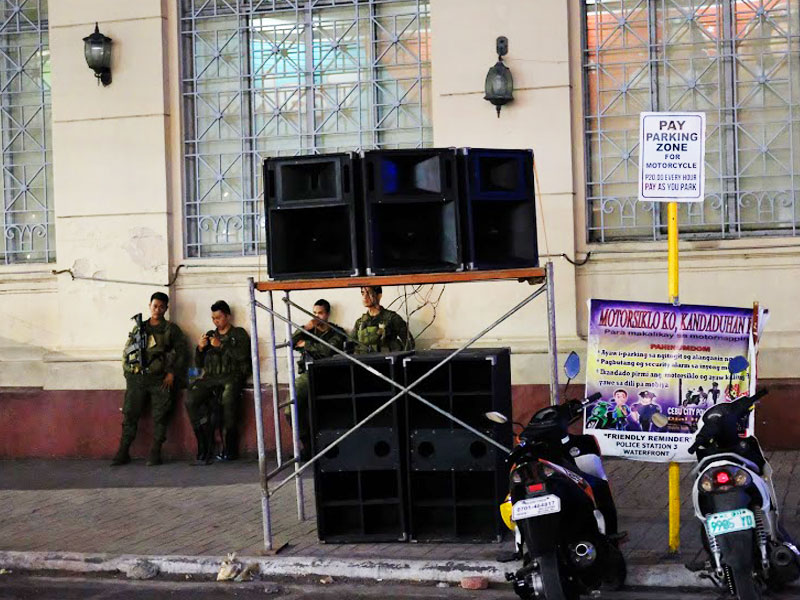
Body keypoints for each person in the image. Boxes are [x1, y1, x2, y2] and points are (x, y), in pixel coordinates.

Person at [113, 292, 188, 467]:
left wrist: (171, 373)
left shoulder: (171, 329)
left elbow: (181, 353)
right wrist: (129, 374)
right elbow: (128, 352)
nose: (158, 309)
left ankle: (155, 453)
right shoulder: (139, 328)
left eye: (162, 306)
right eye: (155, 306)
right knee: (130, 415)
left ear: (166, 308)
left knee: (160, 416)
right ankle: (123, 451)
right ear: (149, 306)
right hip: (137, 379)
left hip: (160, 379)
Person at [186, 300, 252, 463]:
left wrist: (221, 345)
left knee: (228, 400)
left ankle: (230, 449)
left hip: (232, 377)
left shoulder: (239, 334)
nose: (216, 321)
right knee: (191, 399)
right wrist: (200, 349)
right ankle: (202, 443)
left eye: (219, 317)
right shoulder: (210, 334)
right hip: (211, 378)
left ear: (227, 316)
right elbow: (199, 364)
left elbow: (242, 355)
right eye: (213, 318)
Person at [288, 299, 347, 459]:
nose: (316, 316)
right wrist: (304, 329)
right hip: (308, 373)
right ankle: (307, 445)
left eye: (320, 313)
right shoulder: (308, 330)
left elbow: (327, 351)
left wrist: (306, 344)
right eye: (314, 313)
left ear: (327, 314)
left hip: (328, 373)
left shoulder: (337, 332)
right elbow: (290, 343)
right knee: (290, 409)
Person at [351, 286, 414, 353]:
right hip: (365, 361)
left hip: (387, 360)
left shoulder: (392, 318)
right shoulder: (360, 322)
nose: (365, 297)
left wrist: (399, 359)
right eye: (363, 293)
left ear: (379, 296)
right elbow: (350, 344)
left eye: (369, 293)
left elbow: (409, 342)